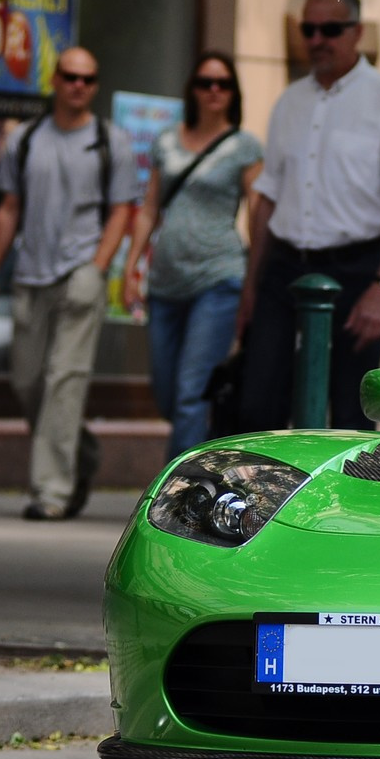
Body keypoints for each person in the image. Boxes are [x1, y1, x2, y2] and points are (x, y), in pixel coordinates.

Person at [236, 0, 380, 431]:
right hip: (284, 270)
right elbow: (267, 198)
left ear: (358, 32)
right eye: (308, 29)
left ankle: (346, 503)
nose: (317, 39)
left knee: (350, 415)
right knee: (257, 406)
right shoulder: (289, 102)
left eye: (330, 29)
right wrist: (252, 285)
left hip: (357, 271)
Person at [0, 46, 138, 519]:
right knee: (27, 378)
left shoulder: (109, 139)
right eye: (71, 77)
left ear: (95, 86)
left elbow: (122, 210)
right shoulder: (27, 138)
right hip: (30, 272)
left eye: (88, 79)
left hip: (81, 270)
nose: (78, 85)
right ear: (55, 80)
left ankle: (50, 493)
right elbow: (9, 207)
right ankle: (83, 454)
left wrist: (98, 267)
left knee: (63, 381)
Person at [122, 51, 263, 460]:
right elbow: (150, 208)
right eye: (205, 83)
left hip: (218, 280)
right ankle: (208, 463)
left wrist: (255, 278)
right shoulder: (166, 139)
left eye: (223, 83)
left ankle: (179, 498)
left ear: (233, 92)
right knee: (166, 392)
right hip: (165, 280)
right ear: (193, 90)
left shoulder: (244, 146)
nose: (214, 91)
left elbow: (257, 212)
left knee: (190, 393)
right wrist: (132, 268)